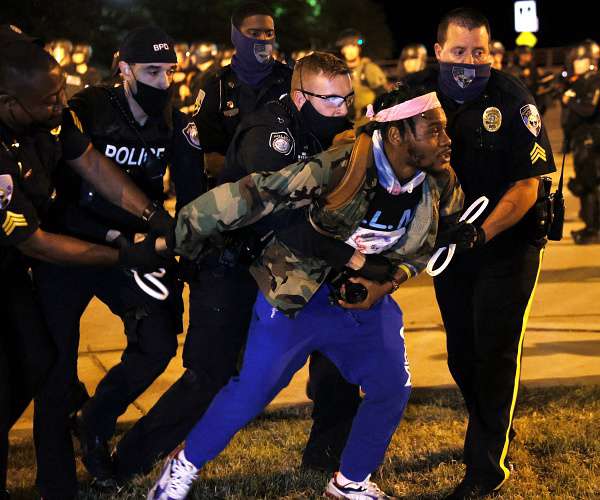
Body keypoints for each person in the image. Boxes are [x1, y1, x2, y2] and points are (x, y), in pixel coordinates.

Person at [146, 85, 463, 500]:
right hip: (299, 296)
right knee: (252, 393)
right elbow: (254, 194)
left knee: (391, 386)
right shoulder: (340, 167)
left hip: (360, 303)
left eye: (444, 129)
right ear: (396, 134)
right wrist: (174, 237)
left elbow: (422, 248)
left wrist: (384, 284)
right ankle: (183, 465)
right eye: (433, 130)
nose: (446, 139)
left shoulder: (438, 182)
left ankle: (350, 481)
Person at [113, 50, 357, 482]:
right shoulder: (269, 135)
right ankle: (129, 461)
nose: (342, 110)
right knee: (210, 375)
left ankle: (326, 457)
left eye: (347, 99)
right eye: (332, 100)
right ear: (300, 97)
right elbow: (280, 215)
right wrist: (345, 254)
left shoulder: (330, 131)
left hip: (290, 264)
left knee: (339, 355)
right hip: (232, 265)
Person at [32, 25, 205, 499]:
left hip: (136, 249)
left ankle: (94, 421)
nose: (163, 82)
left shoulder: (174, 120)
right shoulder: (87, 108)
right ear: (123, 68)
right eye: (152, 71)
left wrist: (181, 244)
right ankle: (55, 483)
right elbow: (65, 177)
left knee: (157, 343)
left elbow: (189, 192)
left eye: (169, 72)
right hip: (69, 245)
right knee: (55, 367)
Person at [0, 25, 170, 500]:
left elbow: (91, 162)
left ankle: (83, 430)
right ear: (8, 103)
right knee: (39, 373)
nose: (62, 104)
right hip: (35, 251)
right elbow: (36, 243)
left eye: (61, 93)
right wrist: (124, 254)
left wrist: (154, 216)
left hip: (23, 261)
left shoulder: (51, 117)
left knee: (41, 360)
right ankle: (55, 485)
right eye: (49, 100)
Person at [405, 8, 556, 498]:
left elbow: (528, 184)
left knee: (494, 351)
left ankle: (486, 466)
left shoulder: (512, 98)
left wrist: (482, 234)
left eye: (479, 52)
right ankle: (494, 425)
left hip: (508, 242)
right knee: (461, 353)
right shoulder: (417, 96)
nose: (470, 62)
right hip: (451, 245)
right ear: (438, 52)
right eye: (459, 51)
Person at [193, 2, 292, 181]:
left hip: (286, 186)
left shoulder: (291, 81)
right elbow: (208, 156)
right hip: (233, 191)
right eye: (254, 33)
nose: (263, 40)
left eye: (269, 33)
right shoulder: (217, 87)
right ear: (236, 36)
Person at [561, 42, 600, 244]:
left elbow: (588, 109)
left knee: (589, 184)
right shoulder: (580, 81)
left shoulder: (594, 80)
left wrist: (570, 101)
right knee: (584, 184)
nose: (575, 64)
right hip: (580, 140)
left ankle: (593, 229)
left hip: (590, 140)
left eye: (579, 60)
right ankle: (590, 224)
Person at [336, 29, 388, 121]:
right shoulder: (339, 71)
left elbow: (383, 95)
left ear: (359, 49)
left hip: (368, 120)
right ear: (342, 50)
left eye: (353, 46)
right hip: (347, 121)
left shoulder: (369, 68)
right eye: (347, 47)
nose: (350, 50)